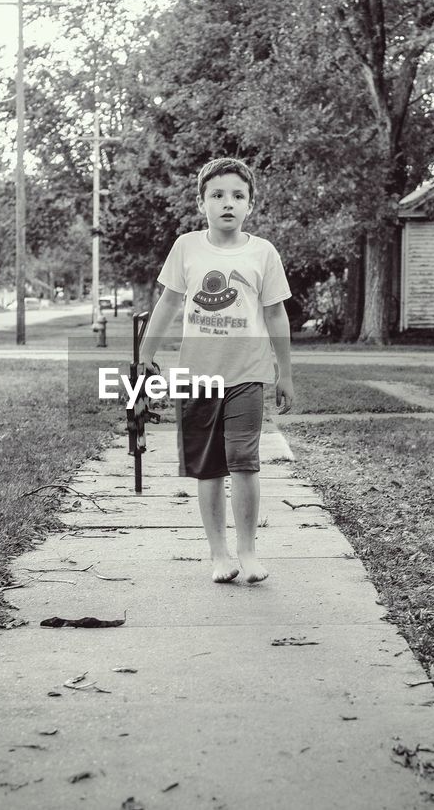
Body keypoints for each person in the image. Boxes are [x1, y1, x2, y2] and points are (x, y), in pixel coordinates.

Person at [140, 158, 296, 585]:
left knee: (245, 462)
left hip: (247, 372)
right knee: (209, 467)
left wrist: (285, 372)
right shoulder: (187, 247)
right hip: (198, 376)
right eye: (218, 195)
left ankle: (248, 552)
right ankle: (219, 555)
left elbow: (276, 314)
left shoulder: (262, 252)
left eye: (238, 196)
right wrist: (144, 355)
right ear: (201, 202)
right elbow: (168, 305)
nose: (228, 203)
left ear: (250, 205)